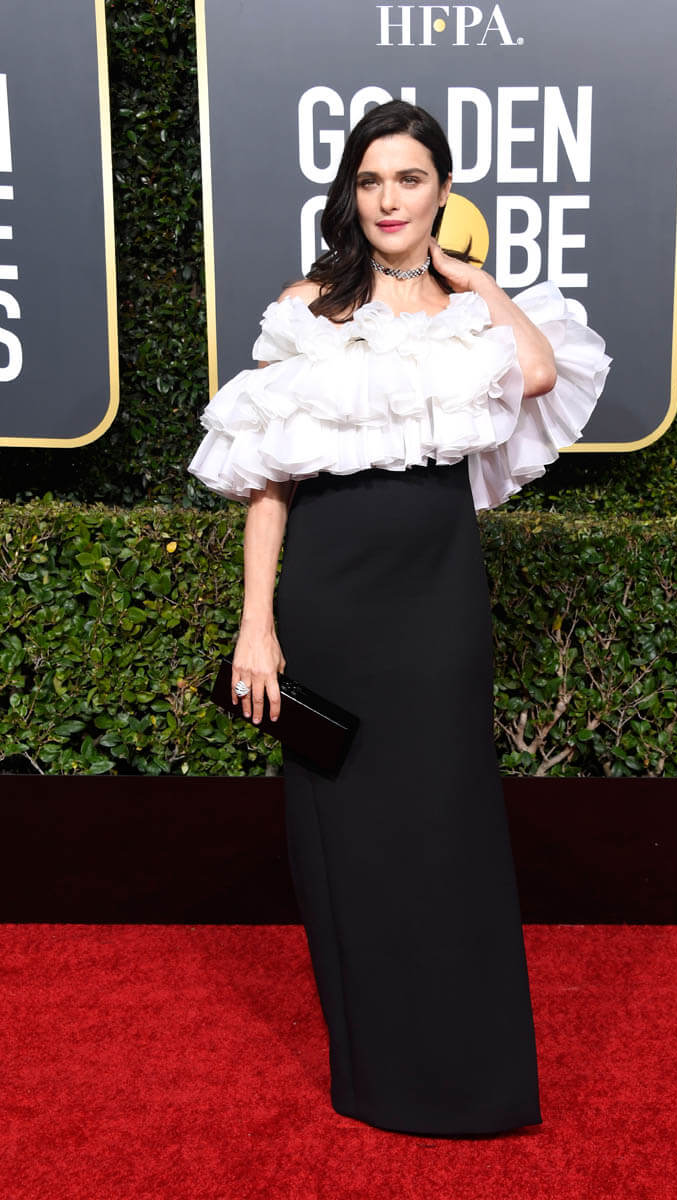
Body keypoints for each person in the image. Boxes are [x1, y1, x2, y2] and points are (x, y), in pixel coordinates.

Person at [188, 99, 610, 1137]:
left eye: (409, 179)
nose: (388, 199)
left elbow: (539, 373)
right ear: (351, 192)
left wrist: (474, 279)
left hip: (437, 599)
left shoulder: (470, 313)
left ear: (441, 191)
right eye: (371, 180)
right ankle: (376, 1073)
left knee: (446, 823)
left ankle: (471, 1079)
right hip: (330, 600)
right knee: (346, 832)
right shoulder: (307, 309)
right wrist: (255, 624)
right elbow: (269, 482)